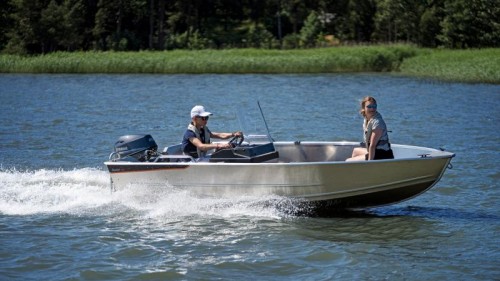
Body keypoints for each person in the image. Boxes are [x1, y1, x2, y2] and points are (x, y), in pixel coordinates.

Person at [346, 96, 394, 161]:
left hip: (382, 155)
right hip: (376, 151)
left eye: (374, 106)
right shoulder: (367, 119)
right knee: (355, 151)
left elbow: (372, 145)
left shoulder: (377, 122)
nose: (372, 109)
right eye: (369, 107)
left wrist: (369, 163)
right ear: (363, 108)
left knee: (348, 161)